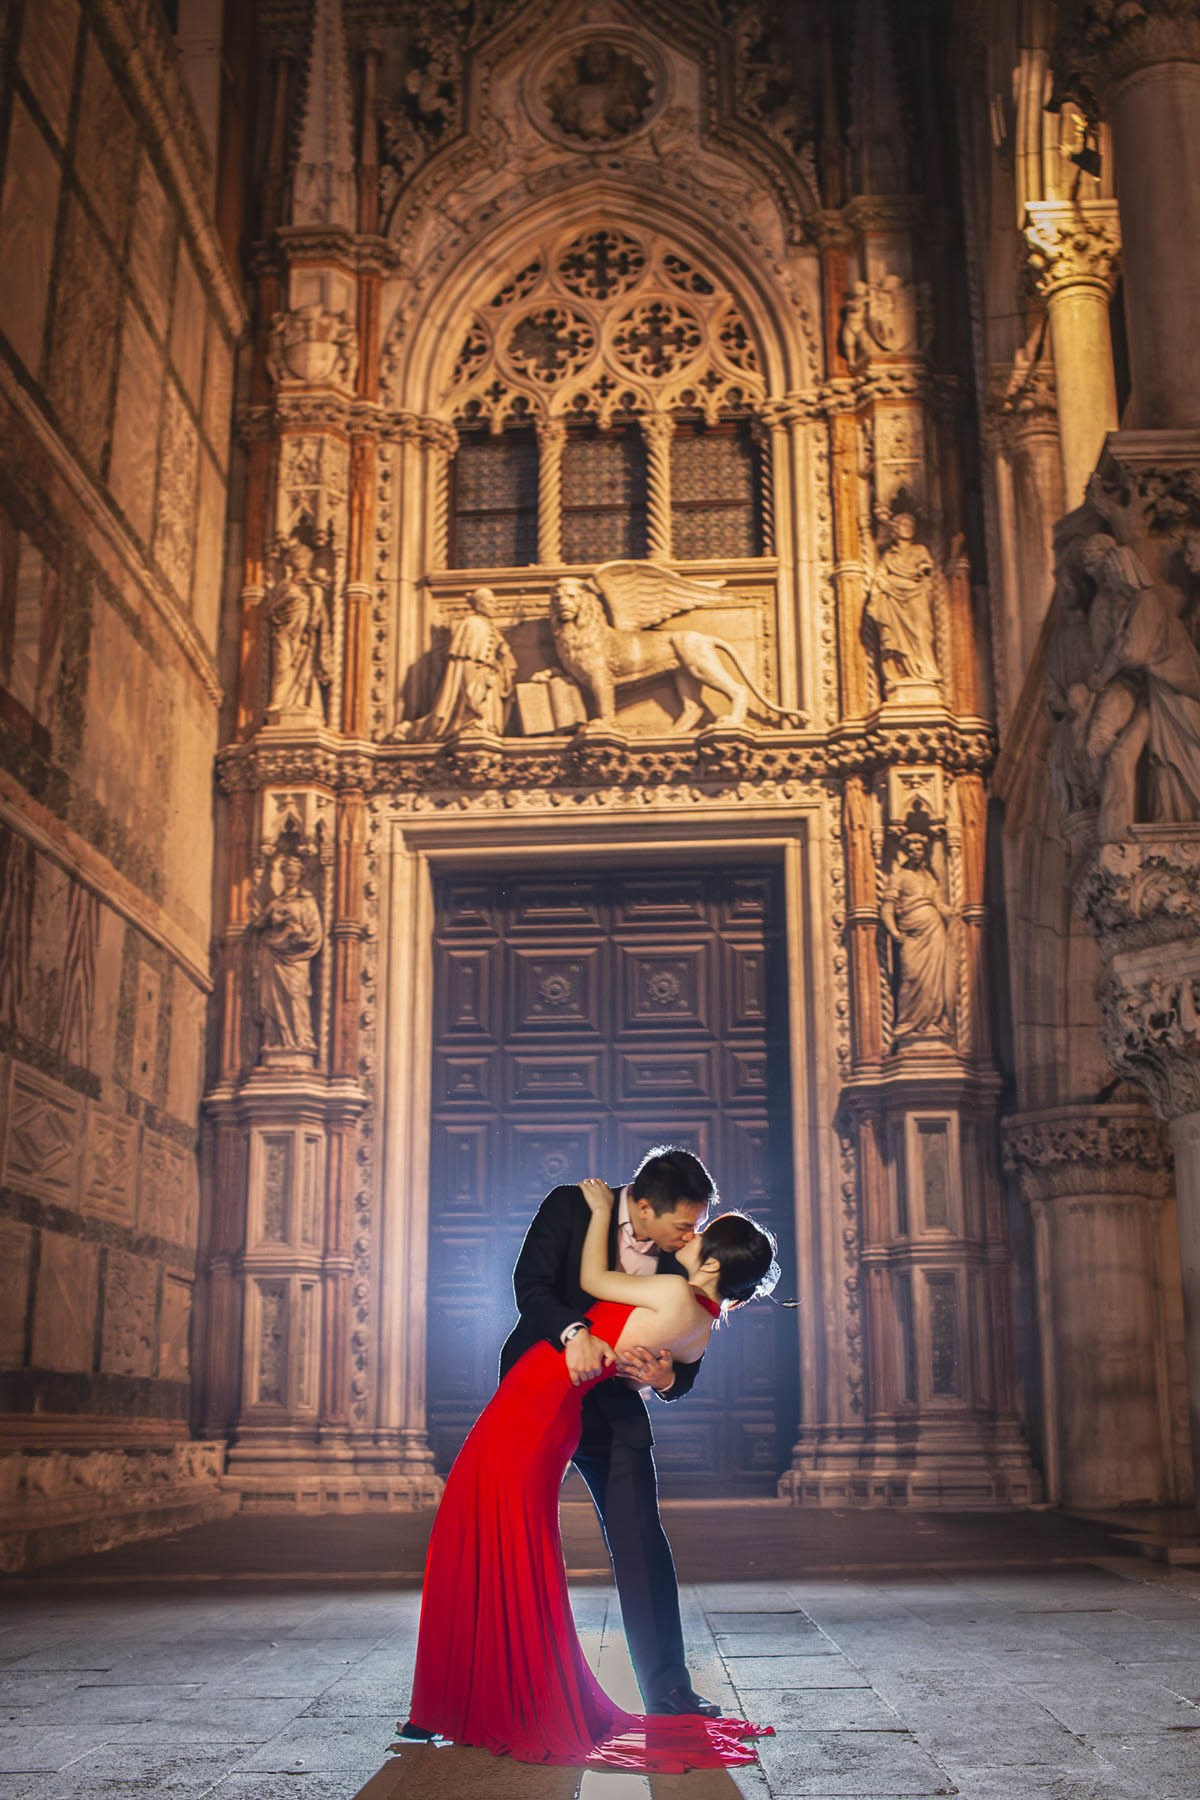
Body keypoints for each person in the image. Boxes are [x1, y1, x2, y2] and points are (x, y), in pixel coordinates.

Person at [399, 1172, 778, 1770]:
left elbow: (687, 1360)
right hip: (545, 1382)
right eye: (683, 1223)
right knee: (490, 1535)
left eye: (696, 1227)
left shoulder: (688, 1262)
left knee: (639, 1539)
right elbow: (534, 1287)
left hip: (613, 1405)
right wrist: (576, 1332)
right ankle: (449, 1698)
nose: (689, 1234)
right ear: (646, 1207)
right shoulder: (574, 1206)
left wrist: (665, 1379)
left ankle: (669, 1695)